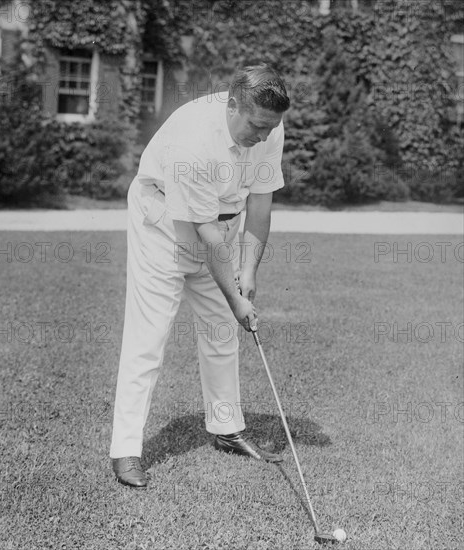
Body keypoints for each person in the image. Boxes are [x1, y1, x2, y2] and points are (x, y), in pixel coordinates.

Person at [110, 64, 290, 488]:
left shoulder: (269, 128)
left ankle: (227, 429)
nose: (263, 136)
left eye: (271, 128)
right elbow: (205, 235)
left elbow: (260, 206)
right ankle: (125, 450)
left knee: (221, 332)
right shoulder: (192, 140)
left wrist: (248, 272)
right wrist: (238, 299)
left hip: (221, 223)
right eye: (256, 127)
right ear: (231, 106)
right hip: (162, 225)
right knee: (149, 336)